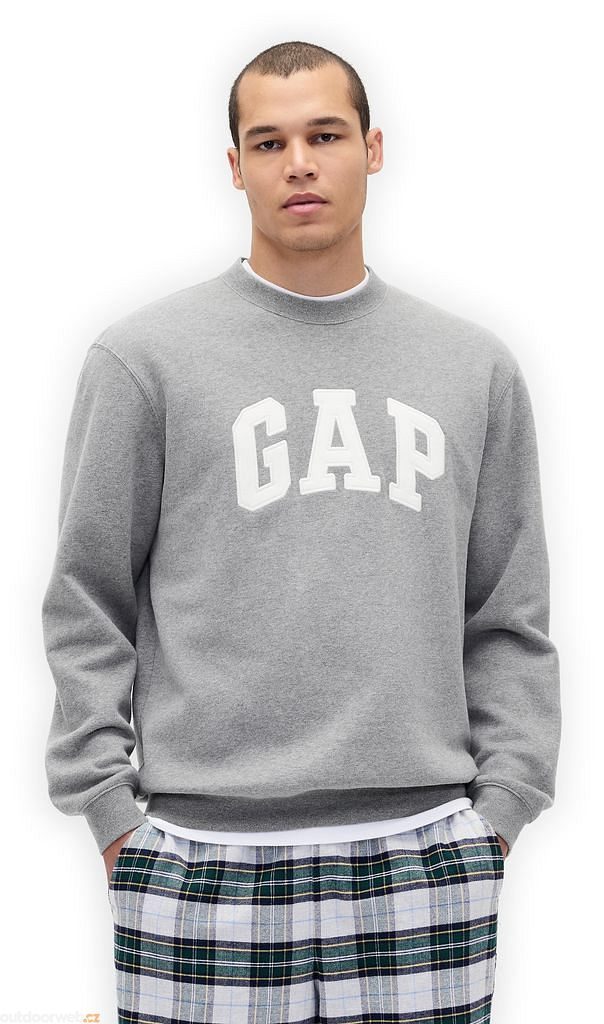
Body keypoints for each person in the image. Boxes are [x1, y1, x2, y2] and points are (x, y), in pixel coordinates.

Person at [41, 39, 561, 1023]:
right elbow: (84, 602)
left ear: (373, 148)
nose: (300, 164)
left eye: (325, 135)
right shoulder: (143, 361)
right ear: (234, 166)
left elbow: (509, 612)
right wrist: (114, 819)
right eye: (269, 142)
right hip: (199, 858)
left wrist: (500, 815)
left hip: (425, 854)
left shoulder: (473, 368)